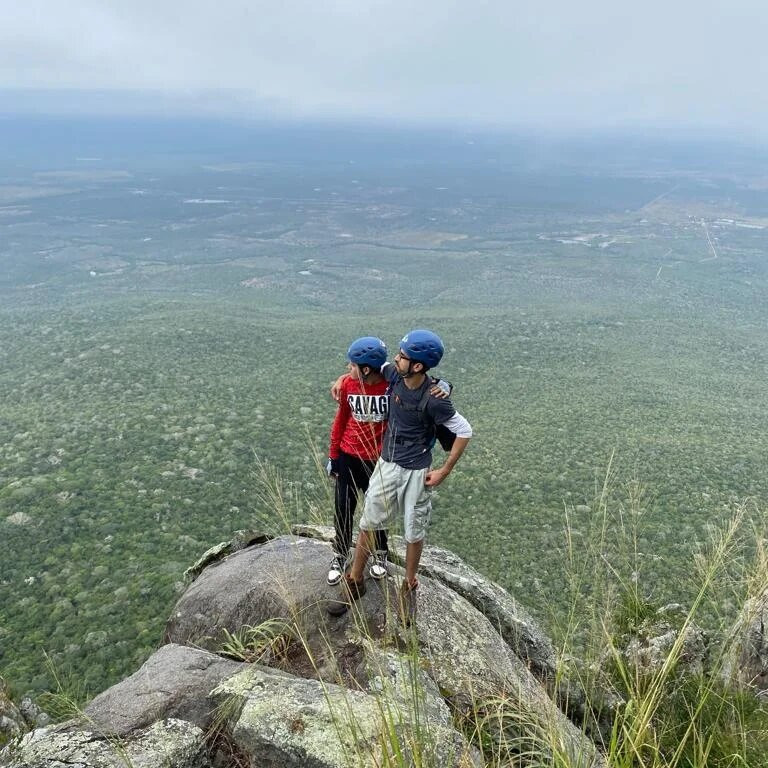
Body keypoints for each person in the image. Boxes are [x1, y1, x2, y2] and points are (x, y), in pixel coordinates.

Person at [327, 329, 472, 625]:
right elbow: (365, 367)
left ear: (417, 365)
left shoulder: (435, 399)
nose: (396, 358)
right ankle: (355, 580)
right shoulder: (395, 376)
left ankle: (408, 587)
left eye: (403, 356)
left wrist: (445, 469)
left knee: (413, 530)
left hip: (417, 469)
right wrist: (343, 379)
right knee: (369, 520)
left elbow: (465, 431)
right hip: (388, 463)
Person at [326, 336, 391, 585]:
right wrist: (334, 455)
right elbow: (341, 420)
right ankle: (341, 554)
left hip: (378, 461)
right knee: (343, 508)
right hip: (348, 456)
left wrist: (445, 386)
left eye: (351, 365)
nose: (347, 369)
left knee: (377, 510)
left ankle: (380, 553)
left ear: (366, 369)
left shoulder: (390, 386)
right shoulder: (349, 385)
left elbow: (419, 385)